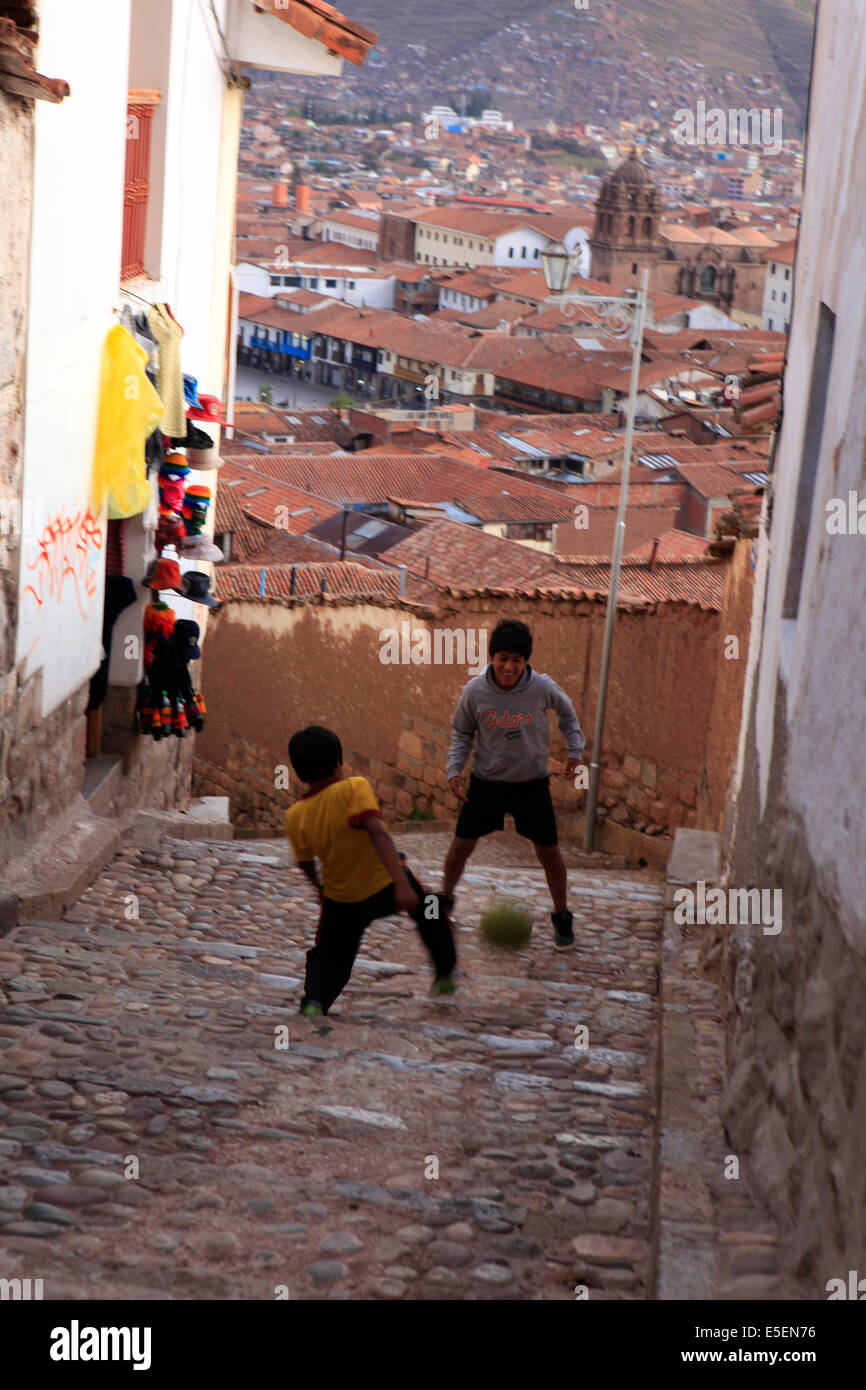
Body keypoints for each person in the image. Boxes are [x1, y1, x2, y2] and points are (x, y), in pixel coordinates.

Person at [285, 725, 457, 1016]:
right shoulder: (354, 788)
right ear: (338, 763)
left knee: (329, 956)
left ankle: (315, 1001)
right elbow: (378, 833)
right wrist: (402, 883)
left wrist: (320, 891)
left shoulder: (295, 815)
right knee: (429, 907)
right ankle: (443, 975)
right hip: (384, 885)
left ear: (299, 771)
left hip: (340, 901)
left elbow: (305, 863)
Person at [442, 619, 585, 950]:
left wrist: (575, 750)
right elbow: (462, 733)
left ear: (526, 662)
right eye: (503, 658)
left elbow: (568, 715)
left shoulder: (542, 688)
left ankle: (562, 917)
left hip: (531, 784)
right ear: (492, 656)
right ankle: (443, 902)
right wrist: (454, 770)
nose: (509, 667)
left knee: (549, 851)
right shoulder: (475, 691)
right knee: (461, 846)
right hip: (486, 783)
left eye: (517, 661)